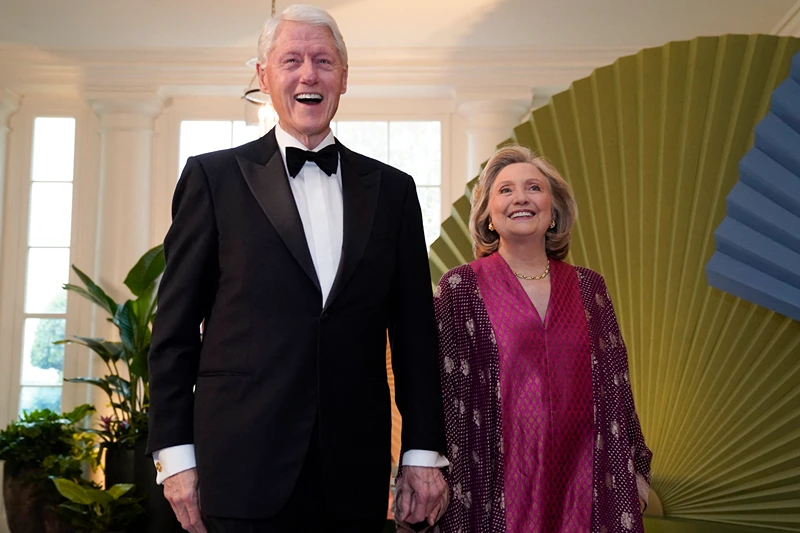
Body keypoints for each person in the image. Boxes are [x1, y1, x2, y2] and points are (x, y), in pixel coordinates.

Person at [146, 5, 449, 532]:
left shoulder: (395, 192)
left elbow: (415, 336)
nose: (308, 74)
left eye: (323, 61)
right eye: (291, 60)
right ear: (264, 77)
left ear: (345, 78)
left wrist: (423, 451)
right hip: (238, 468)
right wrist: (175, 457)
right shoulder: (211, 179)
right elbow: (172, 335)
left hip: (353, 474)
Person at [433, 145, 652, 533]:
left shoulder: (589, 287)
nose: (520, 197)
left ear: (553, 209)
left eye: (533, 187)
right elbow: (444, 393)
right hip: (494, 485)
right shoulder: (461, 286)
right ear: (487, 215)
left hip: (585, 481)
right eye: (505, 190)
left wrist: (634, 466)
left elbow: (617, 385)